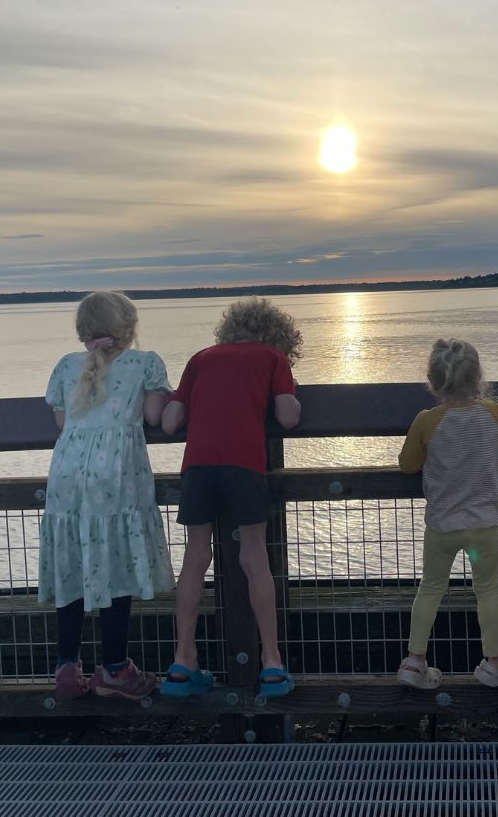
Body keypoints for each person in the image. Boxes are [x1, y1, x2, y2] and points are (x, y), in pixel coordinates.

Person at [162, 297, 302, 698]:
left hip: (199, 466)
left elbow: (171, 422)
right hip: (244, 464)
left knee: (195, 556)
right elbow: (289, 417)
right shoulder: (273, 359)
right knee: (254, 556)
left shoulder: (201, 358)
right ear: (278, 334)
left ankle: (182, 659)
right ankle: (271, 663)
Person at [39, 291, 175, 701]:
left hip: (66, 475)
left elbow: (63, 422)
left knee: (73, 561)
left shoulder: (66, 367)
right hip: (114, 477)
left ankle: (66, 666)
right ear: (128, 328)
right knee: (114, 563)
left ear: (83, 330)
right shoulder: (145, 363)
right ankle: (114, 668)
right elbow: (154, 417)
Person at [396, 338, 498, 692]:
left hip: (443, 528)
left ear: (433, 381)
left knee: (430, 588)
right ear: (479, 378)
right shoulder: (493, 413)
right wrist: (487, 449)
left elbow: (407, 464)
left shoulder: (427, 421)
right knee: (487, 590)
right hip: (481, 531)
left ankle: (414, 661)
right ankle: (495, 664)